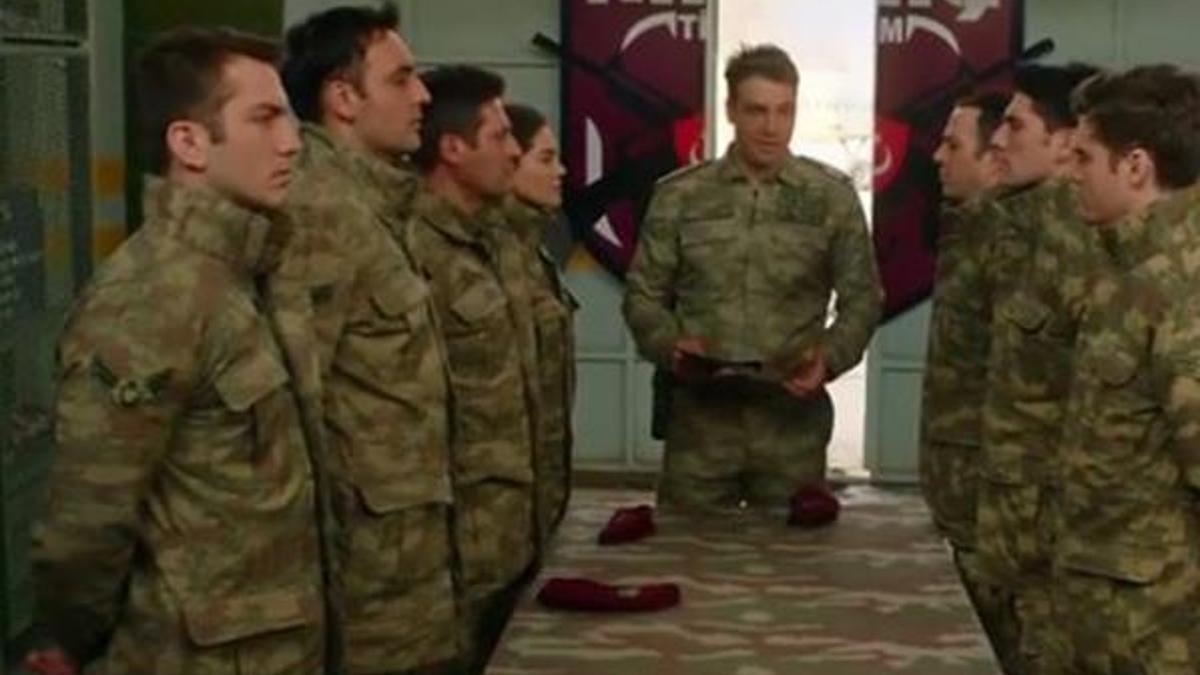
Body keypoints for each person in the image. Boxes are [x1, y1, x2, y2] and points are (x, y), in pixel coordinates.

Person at [26, 27, 327, 675]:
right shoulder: (152, 295)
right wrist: (74, 640)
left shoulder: (248, 270)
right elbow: (86, 523)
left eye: (288, 117)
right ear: (188, 142)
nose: (292, 142)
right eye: (264, 118)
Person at [622, 44, 881, 512]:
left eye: (784, 111)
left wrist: (828, 357)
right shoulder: (682, 196)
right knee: (687, 548)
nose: (771, 127)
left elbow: (863, 298)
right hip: (700, 429)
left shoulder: (830, 198)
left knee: (790, 553)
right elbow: (643, 293)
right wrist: (669, 345)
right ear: (731, 111)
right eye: (757, 111)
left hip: (792, 429)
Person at [280, 4, 458, 673]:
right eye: (401, 79)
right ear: (343, 98)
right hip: (363, 581)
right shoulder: (318, 211)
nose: (423, 95)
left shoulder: (373, 206)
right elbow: (296, 415)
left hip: (403, 563)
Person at [1057, 64, 1200, 673]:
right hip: (1109, 606)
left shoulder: (1181, 283)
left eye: (1084, 158)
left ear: (1135, 166)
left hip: (1157, 626)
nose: (1070, 172)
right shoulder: (1128, 267)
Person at [401, 65, 533, 674]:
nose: (515, 152)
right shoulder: (411, 250)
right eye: (500, 136)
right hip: (448, 549)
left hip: (507, 532)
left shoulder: (497, 240)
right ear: (453, 148)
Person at [974, 62, 1099, 674]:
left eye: (1016, 126)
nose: (998, 139)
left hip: (1055, 528)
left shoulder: (1087, 244)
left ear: (1065, 142)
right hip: (1010, 513)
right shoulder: (1021, 225)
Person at [918, 90, 1020, 672]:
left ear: (993, 161)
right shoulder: (967, 231)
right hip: (955, 485)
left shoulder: (1013, 246)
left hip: (989, 492)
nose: (938, 156)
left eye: (953, 145)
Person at [501, 103, 578, 542]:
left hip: (538, 485)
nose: (561, 171)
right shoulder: (491, 251)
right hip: (500, 491)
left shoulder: (536, 247)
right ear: (509, 162)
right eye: (546, 159)